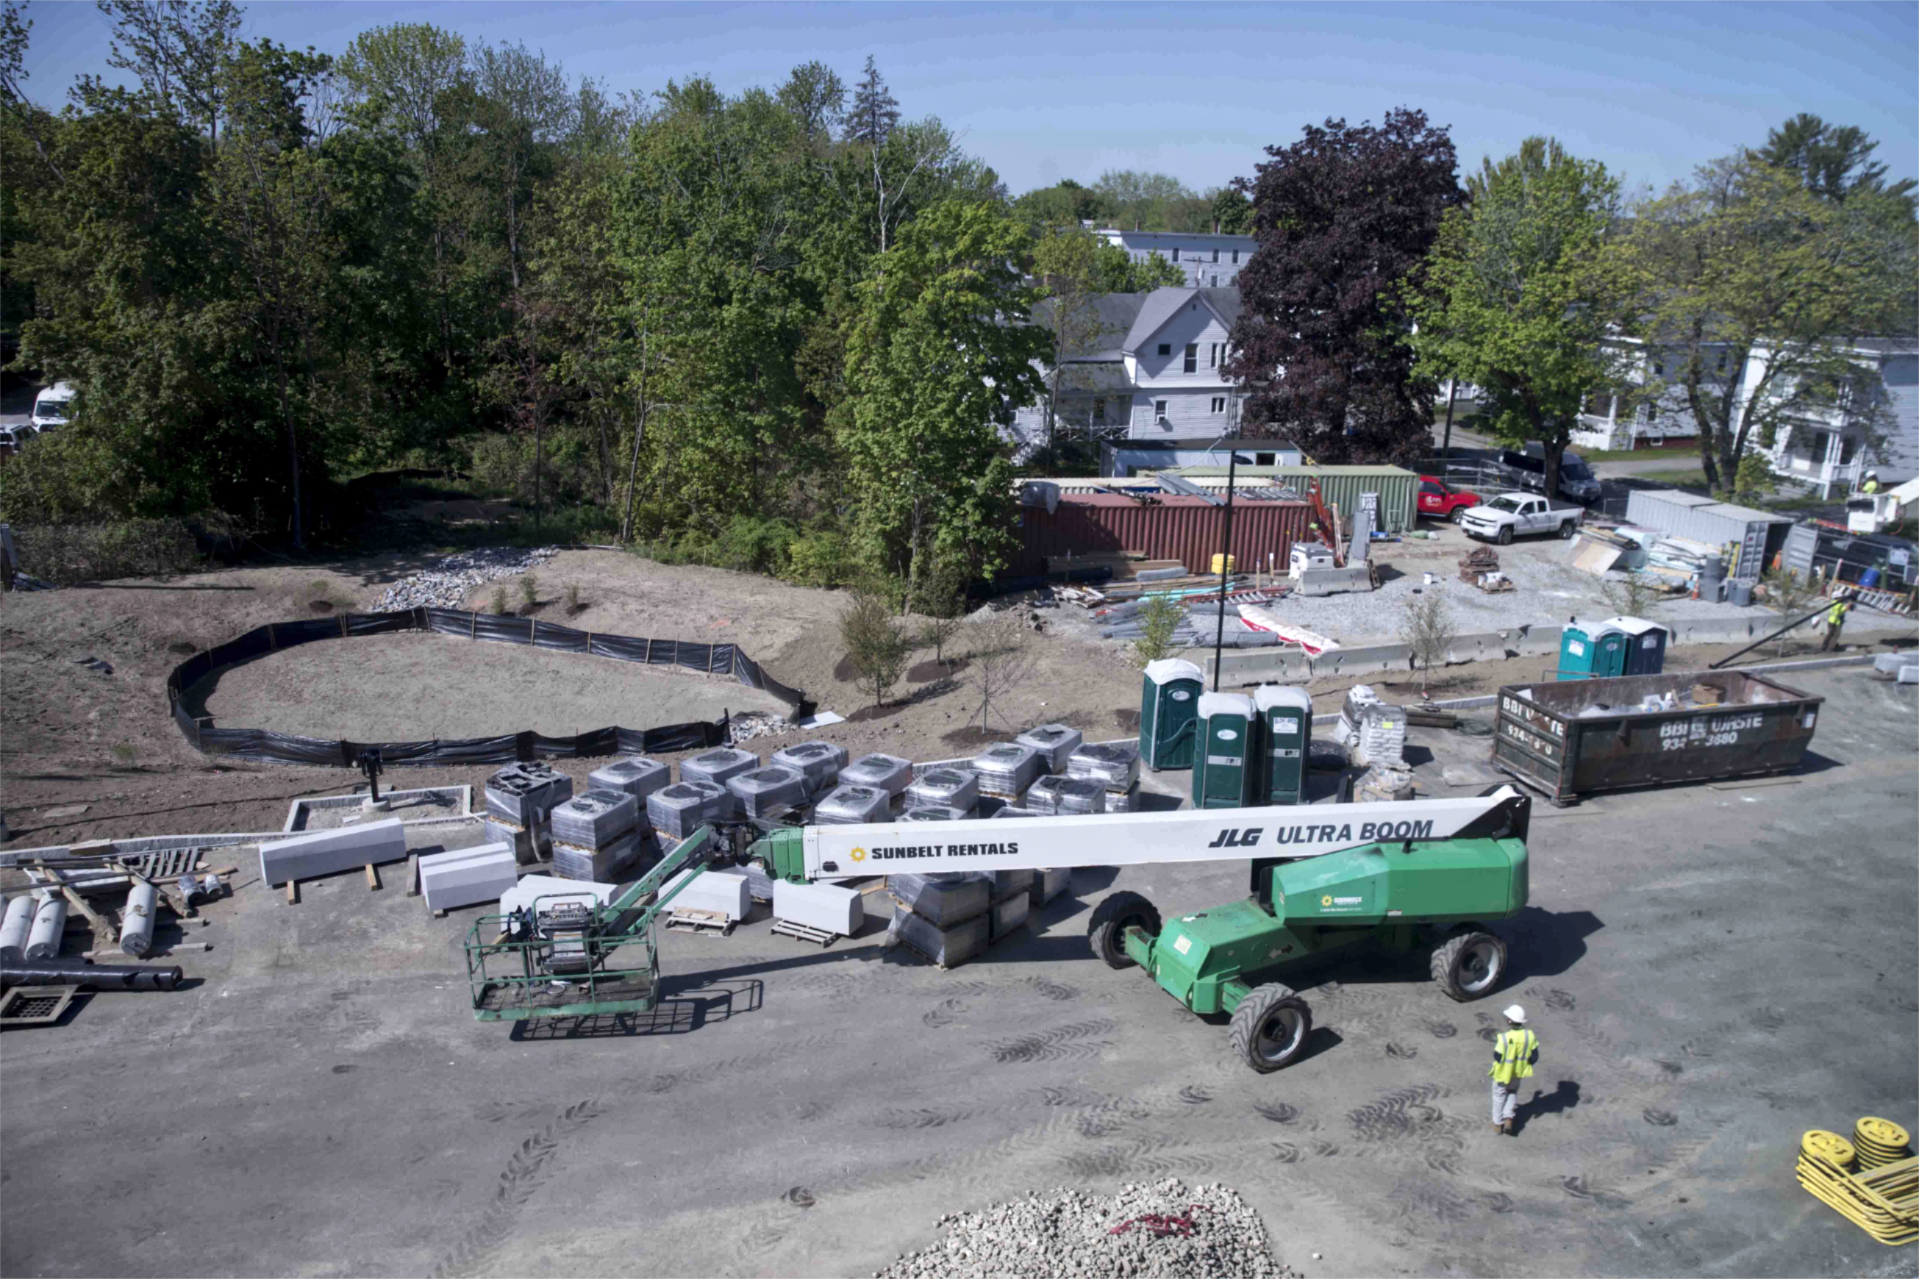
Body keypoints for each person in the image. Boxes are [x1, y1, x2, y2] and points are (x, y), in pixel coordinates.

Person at [1489, 1003, 1538, 1135]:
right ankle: (1508, 1118)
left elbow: (1497, 1056)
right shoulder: (1529, 1036)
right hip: (1517, 1073)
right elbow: (1534, 1057)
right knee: (1512, 1092)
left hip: (1502, 1074)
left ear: (1510, 1021)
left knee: (1499, 1096)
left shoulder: (1504, 1038)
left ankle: (1497, 1124)